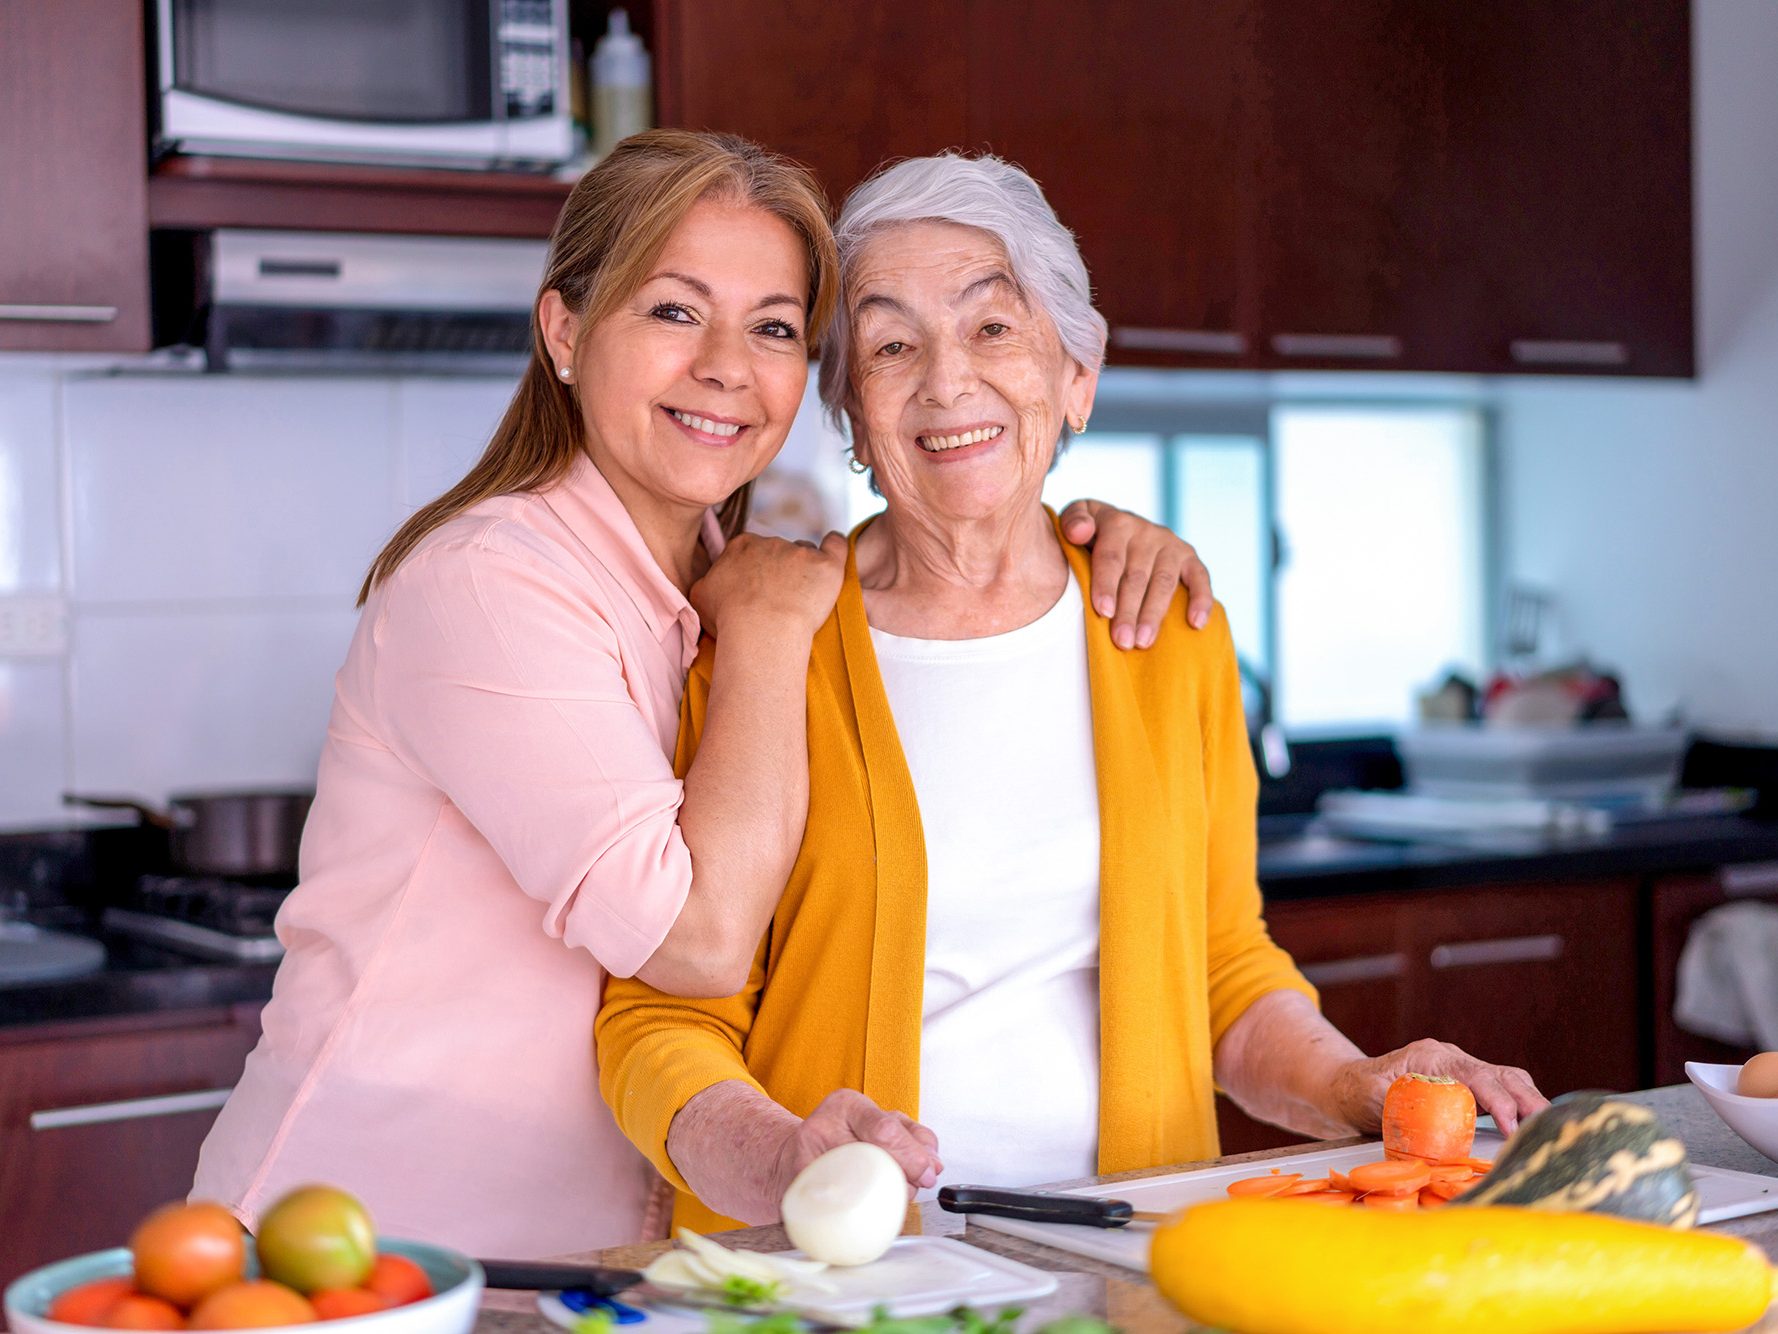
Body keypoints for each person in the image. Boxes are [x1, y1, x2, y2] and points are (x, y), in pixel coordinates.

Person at [191, 131, 1216, 1257]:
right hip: (372, 1243)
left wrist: (1102, 537)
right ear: (567, 331)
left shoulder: (721, 584)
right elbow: (697, 942)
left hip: (595, 1257)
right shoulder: (496, 583)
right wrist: (775, 632)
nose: (728, 364)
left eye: (773, 326)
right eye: (674, 311)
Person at [596, 152, 1550, 1232]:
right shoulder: (769, 643)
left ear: (1075, 378)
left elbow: (1223, 969)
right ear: (853, 419)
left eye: (991, 327)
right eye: (889, 343)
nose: (946, 380)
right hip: (846, 1276)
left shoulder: (1165, 627)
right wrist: (783, 1160)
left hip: (1120, 1257)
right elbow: (657, 1019)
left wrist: (1349, 1083)